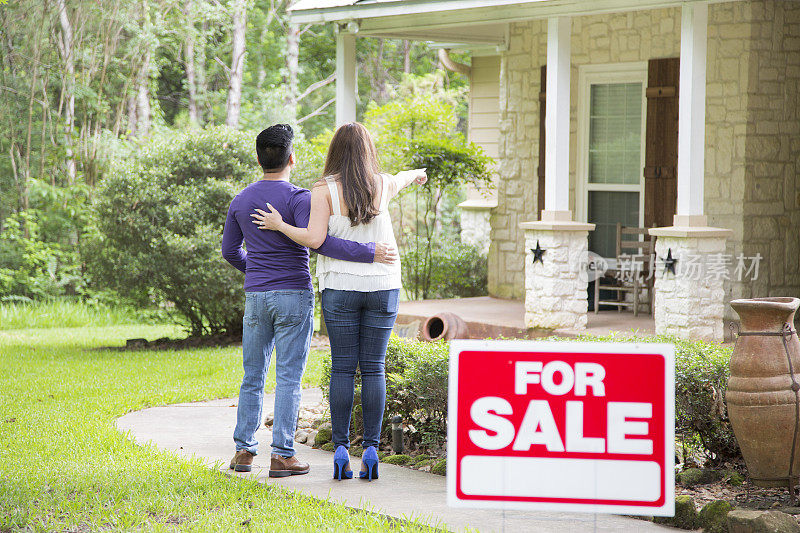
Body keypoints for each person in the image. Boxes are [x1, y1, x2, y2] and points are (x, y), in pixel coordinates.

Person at [252, 122, 426, 481]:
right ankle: (373, 450)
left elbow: (314, 239)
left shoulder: (323, 190)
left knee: (344, 367)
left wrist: (281, 225)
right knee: (374, 367)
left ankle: (343, 448)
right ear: (368, 152)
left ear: (335, 152)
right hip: (383, 286)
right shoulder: (381, 184)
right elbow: (402, 178)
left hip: (340, 288)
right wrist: (417, 175)